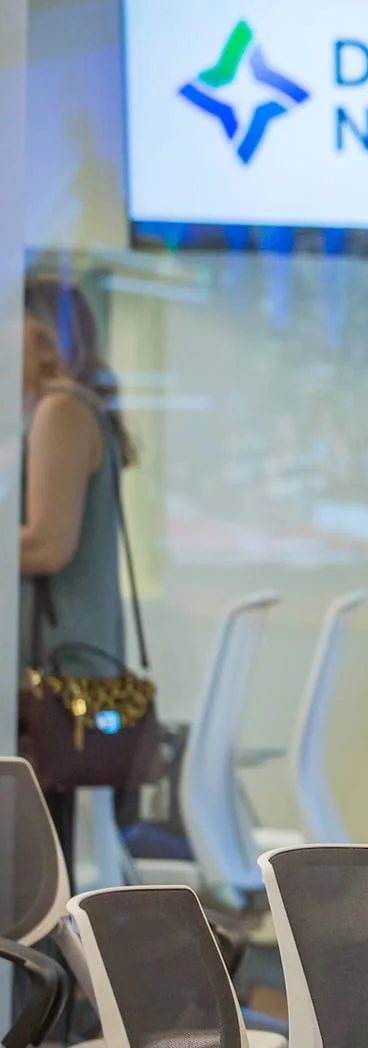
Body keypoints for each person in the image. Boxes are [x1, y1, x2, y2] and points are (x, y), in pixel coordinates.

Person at [19, 277, 137, 864]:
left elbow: (46, 545)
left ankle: (44, 960)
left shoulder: (62, 411)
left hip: (58, 680)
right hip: (69, 676)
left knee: (41, 858)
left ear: (38, 336)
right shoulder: (69, 408)